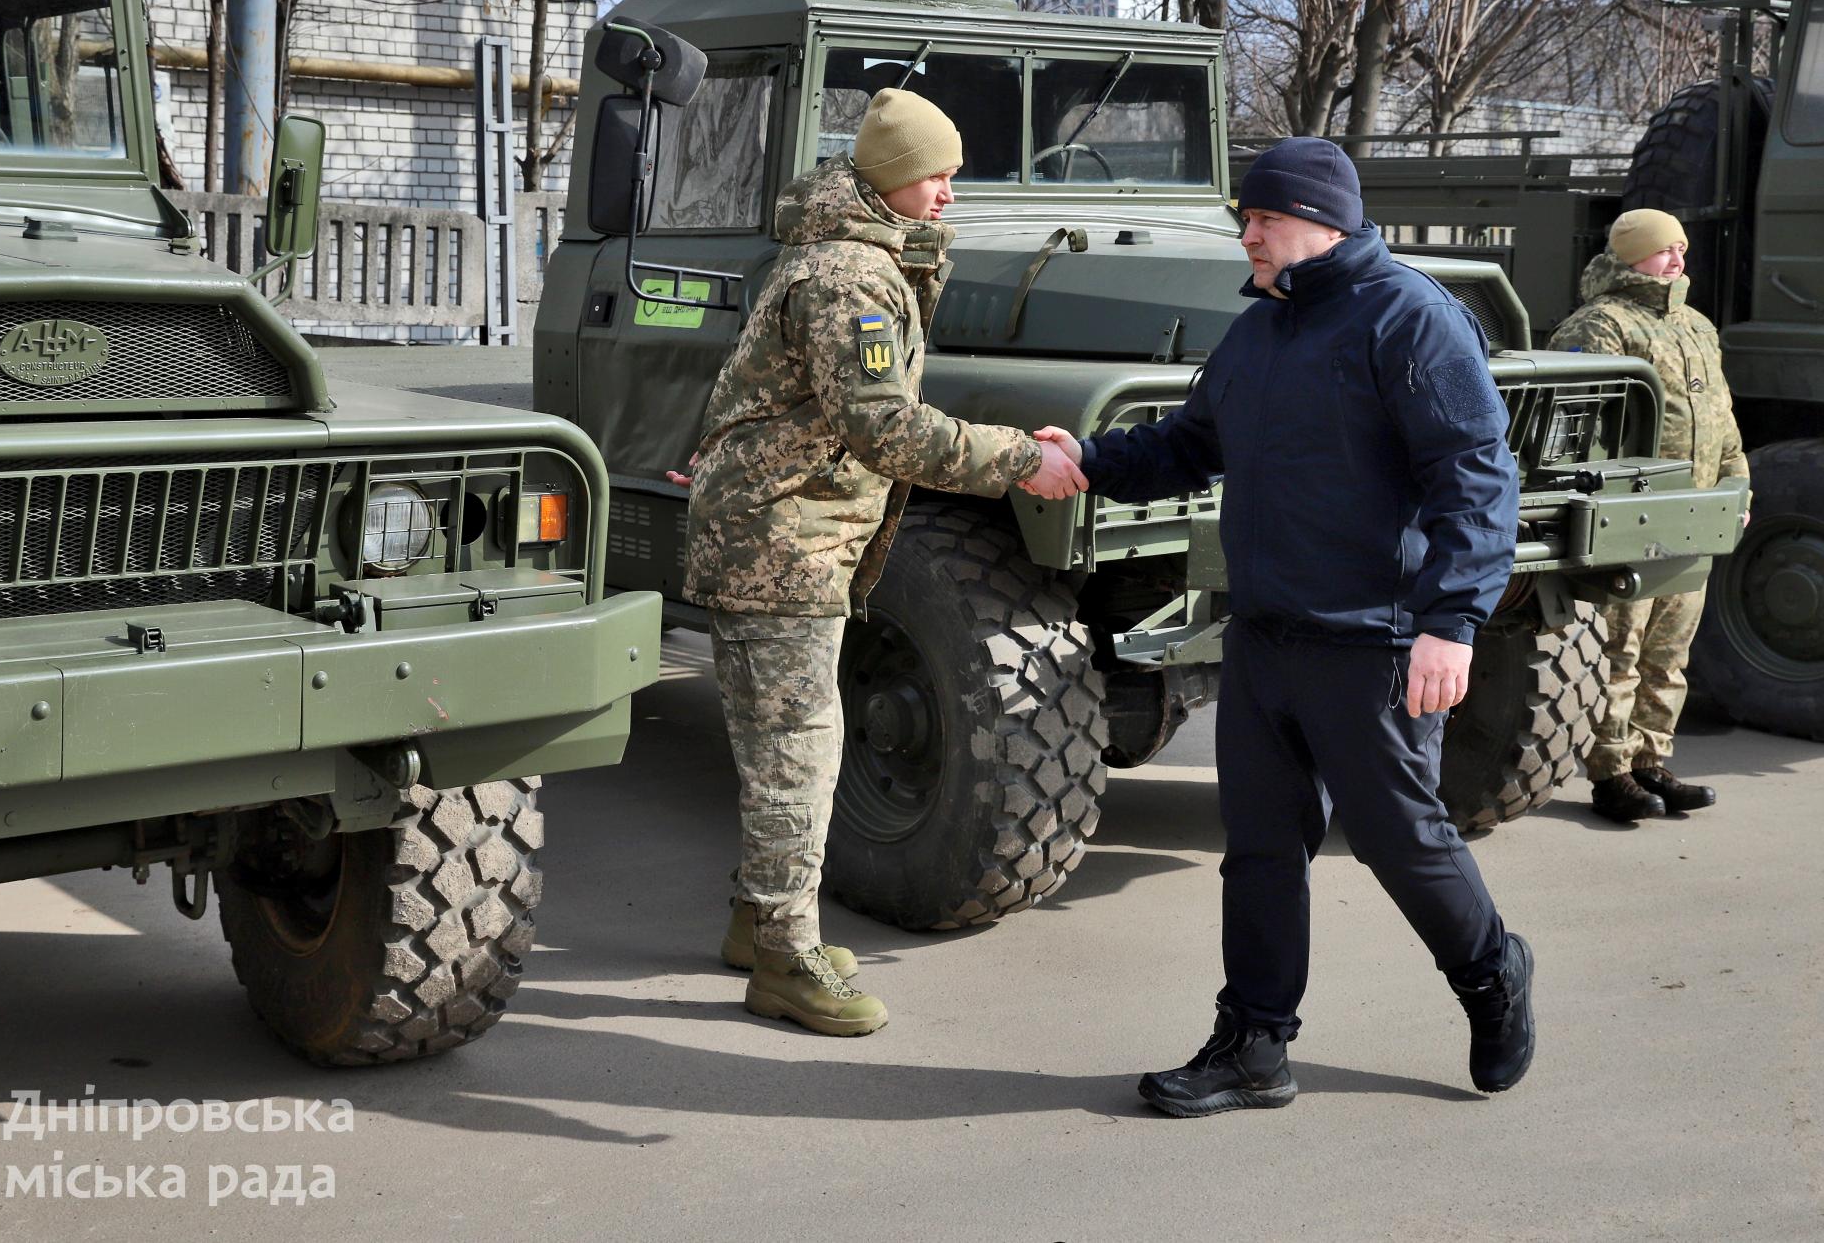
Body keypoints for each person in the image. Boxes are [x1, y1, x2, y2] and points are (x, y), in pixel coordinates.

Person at [1033, 136, 1535, 1114]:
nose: (1246, 235)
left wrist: (1451, 620)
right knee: (1260, 849)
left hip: (1375, 644)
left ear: (1319, 219)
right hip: (1264, 637)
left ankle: (1491, 970)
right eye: (1245, 219)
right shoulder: (1259, 331)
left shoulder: (1411, 319)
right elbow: (1186, 447)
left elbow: (1474, 477)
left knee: (1402, 842)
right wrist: (1088, 459)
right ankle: (1256, 1044)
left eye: (1260, 219)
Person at [676, 88, 1085, 1037]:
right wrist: (1024, 459)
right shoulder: (852, 275)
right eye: (934, 176)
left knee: (788, 746)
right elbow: (880, 426)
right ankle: (782, 959)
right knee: (798, 753)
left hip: (783, 530)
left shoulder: (847, 256)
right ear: (891, 179)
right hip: (781, 544)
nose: (948, 193)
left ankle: (757, 918)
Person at [1547, 209, 1748, 823]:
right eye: (1666, 250)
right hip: (1634, 518)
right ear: (1633, 255)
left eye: (1682, 248)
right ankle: (1611, 773)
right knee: (1619, 649)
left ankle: (1650, 760)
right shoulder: (1600, 325)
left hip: (1695, 513)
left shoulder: (1696, 326)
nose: (1678, 260)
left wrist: (1737, 485)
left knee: (1669, 652)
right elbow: (1574, 427)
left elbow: (1723, 419)